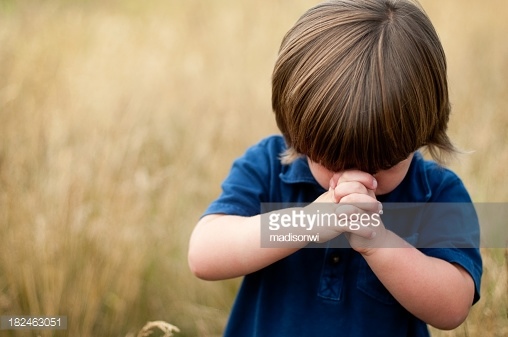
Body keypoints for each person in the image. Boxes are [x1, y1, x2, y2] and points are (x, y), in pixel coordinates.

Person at [188, 0, 483, 336]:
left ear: (422, 133)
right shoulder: (269, 166)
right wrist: (306, 222)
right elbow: (204, 255)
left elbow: (452, 308)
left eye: (382, 165)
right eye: (330, 162)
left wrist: (378, 242)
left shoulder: (436, 193)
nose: (355, 179)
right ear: (297, 134)